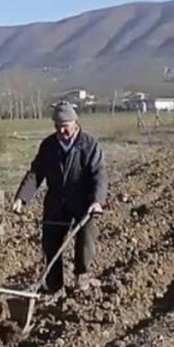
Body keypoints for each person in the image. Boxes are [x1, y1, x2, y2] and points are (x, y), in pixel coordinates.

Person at [12, 101, 107, 299]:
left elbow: (98, 174)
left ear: (75, 123)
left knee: (86, 239)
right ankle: (53, 284)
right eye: (57, 126)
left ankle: (82, 275)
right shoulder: (49, 145)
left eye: (65, 126)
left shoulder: (89, 144)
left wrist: (97, 201)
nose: (61, 131)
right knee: (50, 242)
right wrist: (22, 197)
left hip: (83, 200)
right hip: (56, 200)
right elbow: (36, 172)